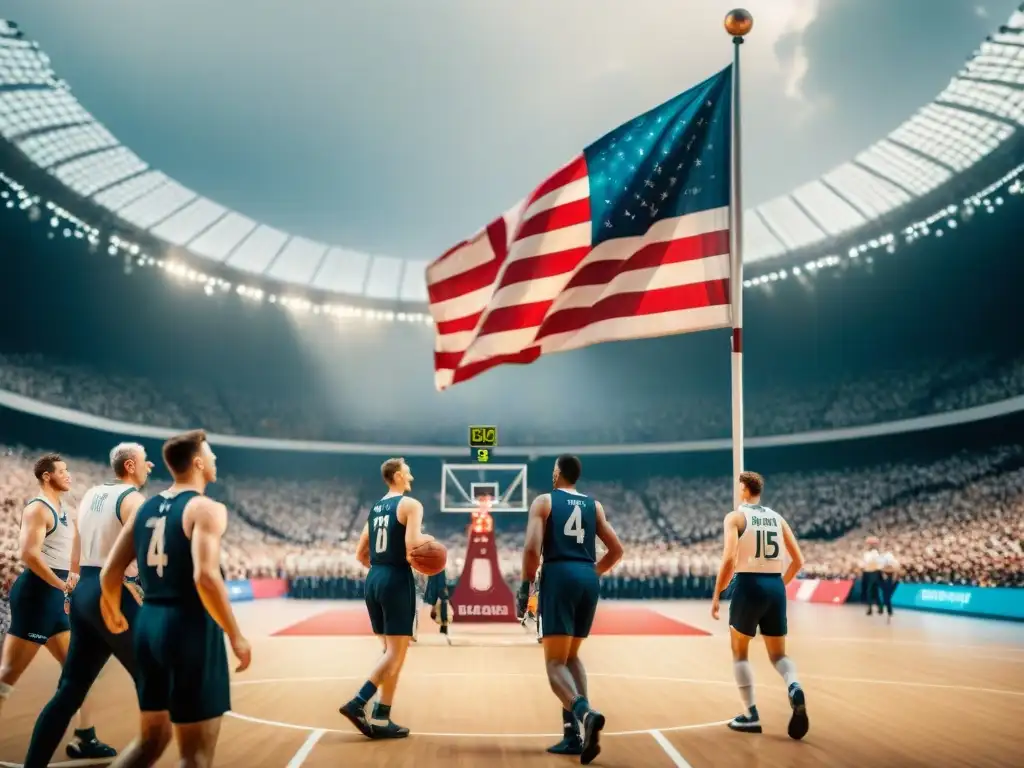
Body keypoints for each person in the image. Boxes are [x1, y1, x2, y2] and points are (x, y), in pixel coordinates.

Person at [99, 430, 252, 768]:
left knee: (150, 741)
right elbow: (205, 577)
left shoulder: (145, 508)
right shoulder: (206, 508)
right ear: (198, 462)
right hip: (189, 627)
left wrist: (111, 610)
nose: (214, 461)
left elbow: (109, 572)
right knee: (195, 756)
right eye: (210, 455)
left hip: (148, 625)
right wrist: (235, 634)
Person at [24, 443, 153, 767]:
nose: (149, 466)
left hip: (84, 592)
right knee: (155, 686)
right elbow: (145, 555)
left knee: (69, 690)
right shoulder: (134, 500)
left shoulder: (90, 496)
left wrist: (72, 593)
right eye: (144, 461)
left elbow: (77, 551)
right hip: (116, 591)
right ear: (129, 466)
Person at [0, 452, 116, 760]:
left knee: (78, 673)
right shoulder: (38, 509)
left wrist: (74, 579)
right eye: (62, 471)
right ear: (47, 476)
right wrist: (60, 583)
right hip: (37, 596)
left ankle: (85, 738)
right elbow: (28, 554)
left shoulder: (64, 508)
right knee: (9, 674)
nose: (69, 475)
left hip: (57, 596)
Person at [517, 454, 623, 765]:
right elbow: (616, 550)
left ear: (558, 473)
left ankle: (585, 713)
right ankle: (574, 735)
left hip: (559, 576)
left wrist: (525, 588)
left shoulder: (544, 502)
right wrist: (593, 572)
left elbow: (531, 549)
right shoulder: (595, 505)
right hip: (587, 578)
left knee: (553, 664)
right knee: (571, 656)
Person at [711, 471, 809, 740]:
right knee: (779, 655)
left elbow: (729, 557)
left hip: (748, 584)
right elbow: (799, 561)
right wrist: (778, 587)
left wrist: (717, 593)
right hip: (775, 586)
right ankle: (794, 685)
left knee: (739, 653)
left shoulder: (735, 517)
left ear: (743, 489)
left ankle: (750, 715)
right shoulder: (777, 518)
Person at [340, 457, 432, 739]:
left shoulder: (374, 509)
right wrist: (431, 545)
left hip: (375, 578)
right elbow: (412, 545)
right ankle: (358, 702)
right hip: (395, 578)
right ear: (397, 476)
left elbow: (360, 554)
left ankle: (383, 716)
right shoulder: (411, 505)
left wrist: (381, 571)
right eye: (408, 472)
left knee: (393, 652)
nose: (411, 476)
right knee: (395, 652)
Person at [860, 537, 883, 615]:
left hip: (874, 572)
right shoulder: (866, 553)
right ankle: (880, 607)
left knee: (870, 590)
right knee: (874, 591)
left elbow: (875, 562)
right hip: (867, 573)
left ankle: (870, 608)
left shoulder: (875, 552)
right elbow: (865, 563)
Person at [879, 549, 899, 623]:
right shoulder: (883, 564)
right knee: (886, 598)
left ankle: (889, 612)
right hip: (887, 582)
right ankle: (889, 612)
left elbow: (896, 573)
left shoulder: (893, 564)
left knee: (887, 598)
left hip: (890, 582)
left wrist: (893, 580)